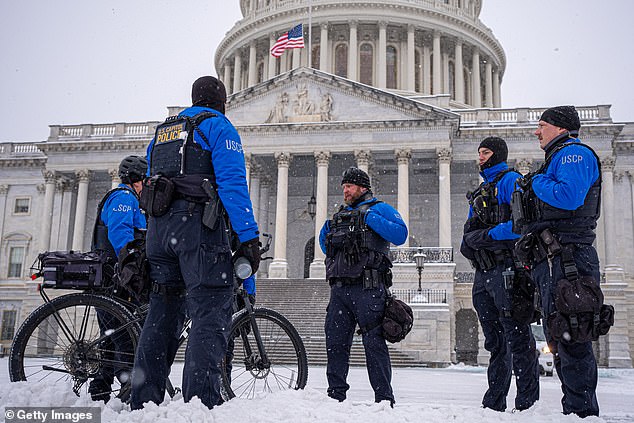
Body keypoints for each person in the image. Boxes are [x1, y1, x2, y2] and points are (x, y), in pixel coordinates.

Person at [130, 76, 260, 410]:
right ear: (222, 102)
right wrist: (248, 238)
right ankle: (200, 403)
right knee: (210, 311)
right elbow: (232, 185)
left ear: (193, 99)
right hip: (197, 231)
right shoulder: (218, 127)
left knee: (162, 314)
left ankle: (144, 399)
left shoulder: (164, 132)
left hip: (160, 233)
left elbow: (149, 184)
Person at [512, 106, 604, 418]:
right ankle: (576, 410)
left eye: (541, 126)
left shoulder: (572, 154)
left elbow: (569, 197)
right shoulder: (559, 156)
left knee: (573, 335)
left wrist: (533, 183)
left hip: (569, 259)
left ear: (559, 127)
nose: (536, 132)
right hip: (555, 259)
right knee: (560, 336)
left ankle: (581, 413)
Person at [460, 137, 540, 412]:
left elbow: (521, 224)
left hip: (508, 269)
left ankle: (527, 401)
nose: (480, 157)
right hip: (484, 272)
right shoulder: (482, 189)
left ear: (497, 155)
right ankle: (495, 400)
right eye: (479, 152)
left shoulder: (510, 181)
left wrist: (486, 236)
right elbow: (468, 233)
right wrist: (472, 243)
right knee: (495, 341)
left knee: (518, 337)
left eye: (485, 152)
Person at [319, 167, 408, 406]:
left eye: (349, 186)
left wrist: (369, 219)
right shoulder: (339, 215)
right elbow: (325, 246)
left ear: (362, 188)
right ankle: (335, 394)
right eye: (344, 187)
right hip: (339, 291)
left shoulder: (379, 208)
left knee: (373, 343)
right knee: (336, 342)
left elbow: (400, 234)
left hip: (369, 289)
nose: (345, 191)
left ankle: (383, 398)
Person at [89, 155, 148, 402]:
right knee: (125, 340)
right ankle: (129, 392)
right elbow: (120, 233)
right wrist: (131, 264)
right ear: (136, 179)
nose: (147, 184)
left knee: (113, 337)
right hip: (114, 278)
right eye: (145, 179)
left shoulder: (128, 198)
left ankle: (100, 389)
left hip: (112, 278)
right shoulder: (123, 198)